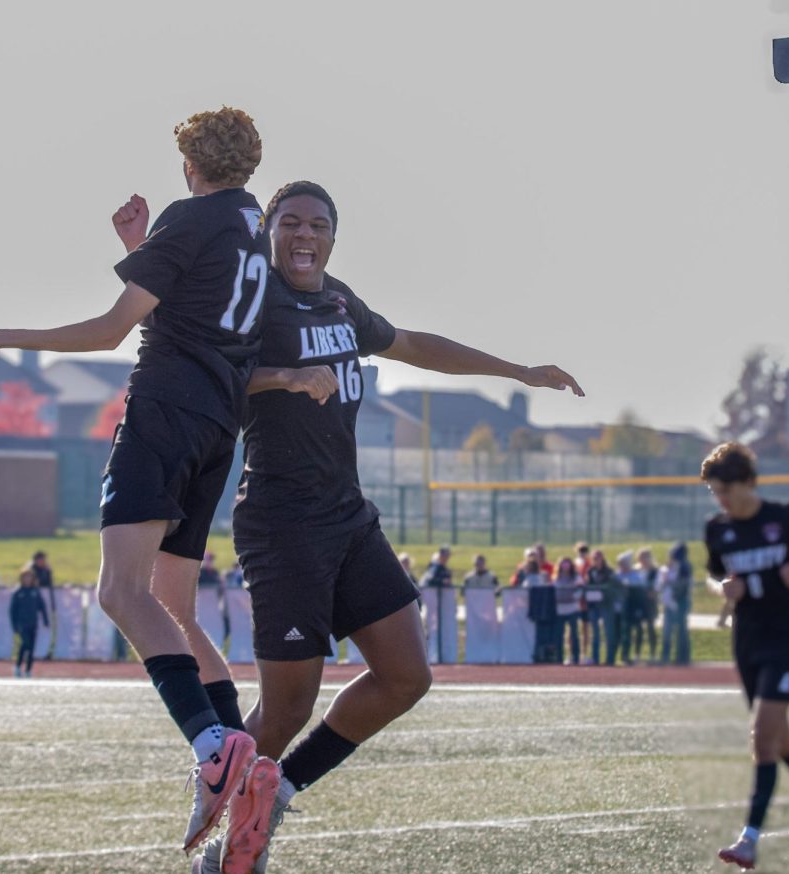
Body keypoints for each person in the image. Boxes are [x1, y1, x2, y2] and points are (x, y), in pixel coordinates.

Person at [190, 180, 583, 872]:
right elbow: (213, 373)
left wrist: (516, 371)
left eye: (317, 225)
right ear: (269, 232)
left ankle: (277, 788)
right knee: (285, 709)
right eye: (290, 223)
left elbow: (411, 344)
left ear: (334, 238)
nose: (304, 235)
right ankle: (219, 819)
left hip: (347, 514)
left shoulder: (339, 299)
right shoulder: (253, 298)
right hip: (283, 524)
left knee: (406, 675)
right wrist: (286, 376)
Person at [0, 107, 271, 854]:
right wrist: (142, 247)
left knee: (121, 593)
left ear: (191, 163)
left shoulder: (192, 218)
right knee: (177, 610)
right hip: (218, 429)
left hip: (164, 416)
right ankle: (240, 753)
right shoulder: (253, 223)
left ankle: (211, 747)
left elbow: (108, 330)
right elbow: (198, 302)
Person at [702, 442, 789, 870]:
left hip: (784, 639)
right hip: (747, 640)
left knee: (761, 735)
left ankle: (749, 838)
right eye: (714, 492)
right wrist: (722, 588)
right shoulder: (718, 529)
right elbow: (714, 573)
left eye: (726, 489)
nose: (721, 499)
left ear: (747, 482)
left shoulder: (785, 517)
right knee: (777, 740)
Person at [9, 565, 49, 678]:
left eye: (29, 577)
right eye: (25, 577)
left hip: (33, 623)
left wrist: (46, 620)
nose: (27, 579)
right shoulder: (18, 593)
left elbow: (42, 607)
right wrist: (14, 625)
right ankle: (17, 666)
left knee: (31, 648)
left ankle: (28, 669)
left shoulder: (35, 592)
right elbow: (12, 611)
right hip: (22, 624)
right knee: (25, 644)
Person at [658, 541, 692, 666]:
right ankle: (669, 656)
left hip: (680, 601)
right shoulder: (675, 565)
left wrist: (672, 590)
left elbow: (683, 585)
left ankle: (682, 657)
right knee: (669, 630)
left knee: (681, 630)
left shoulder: (684, 566)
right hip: (671, 601)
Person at [583, 549, 615, 665]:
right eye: (594, 558)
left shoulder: (609, 571)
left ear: (602, 558)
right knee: (595, 634)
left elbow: (611, 587)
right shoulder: (590, 571)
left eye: (598, 557)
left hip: (606, 606)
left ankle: (610, 659)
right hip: (594, 606)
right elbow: (588, 585)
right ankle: (595, 659)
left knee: (608, 633)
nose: (596, 560)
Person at [553, 557, 582, 665]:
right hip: (559, 610)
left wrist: (574, 597)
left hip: (573, 609)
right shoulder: (556, 578)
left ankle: (576, 658)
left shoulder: (576, 577)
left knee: (574, 634)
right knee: (559, 635)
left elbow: (580, 589)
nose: (565, 567)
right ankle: (559, 658)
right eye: (563, 564)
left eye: (567, 564)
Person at [634, 546, 660, 662]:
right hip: (638, 604)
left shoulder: (655, 571)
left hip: (650, 604)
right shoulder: (635, 570)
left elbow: (657, 588)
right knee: (638, 629)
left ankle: (652, 654)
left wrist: (652, 593)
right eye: (641, 557)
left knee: (650, 628)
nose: (643, 560)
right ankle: (637, 654)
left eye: (645, 557)